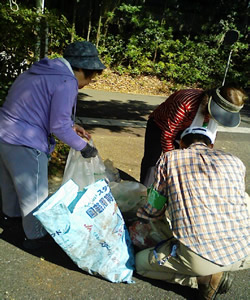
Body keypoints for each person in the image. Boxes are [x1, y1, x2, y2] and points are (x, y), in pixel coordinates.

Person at [0, 41, 106, 249]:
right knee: (34, 195)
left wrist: (72, 126)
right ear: (80, 69)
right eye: (90, 76)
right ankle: (35, 237)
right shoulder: (67, 82)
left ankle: (10, 221)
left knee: (10, 185)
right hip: (26, 141)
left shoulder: (39, 71)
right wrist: (84, 148)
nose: (89, 82)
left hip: (4, 133)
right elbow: (58, 126)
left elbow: (39, 107)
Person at [135, 126, 250, 300]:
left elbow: (154, 207)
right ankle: (213, 271)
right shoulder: (234, 160)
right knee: (245, 198)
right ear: (210, 145)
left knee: (140, 263)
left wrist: (141, 218)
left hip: (200, 258)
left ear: (181, 143)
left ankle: (203, 279)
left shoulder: (170, 158)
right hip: (244, 253)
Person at [140, 86, 248, 186]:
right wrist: (174, 161)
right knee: (152, 161)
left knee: (188, 163)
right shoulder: (185, 103)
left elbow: (207, 141)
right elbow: (168, 135)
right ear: (209, 103)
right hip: (161, 125)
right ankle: (144, 192)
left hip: (187, 129)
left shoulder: (212, 113)